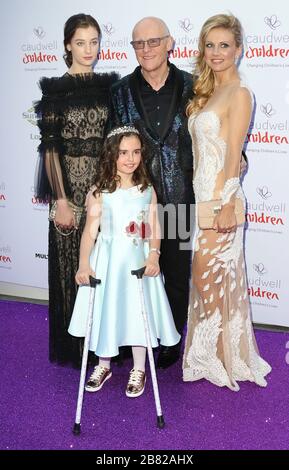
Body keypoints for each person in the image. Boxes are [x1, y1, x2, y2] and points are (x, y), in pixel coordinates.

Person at [183, 14, 271, 390]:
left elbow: (234, 153)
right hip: (203, 198)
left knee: (208, 277)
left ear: (238, 49)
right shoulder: (206, 91)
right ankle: (214, 355)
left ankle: (221, 358)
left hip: (222, 202)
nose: (216, 52)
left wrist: (226, 204)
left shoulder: (239, 93)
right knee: (208, 281)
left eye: (224, 45)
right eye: (210, 45)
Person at [68, 126, 180, 396]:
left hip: (137, 261)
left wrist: (154, 255)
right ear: (111, 155)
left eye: (136, 152)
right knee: (108, 310)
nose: (131, 158)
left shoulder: (146, 189)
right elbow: (89, 233)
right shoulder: (99, 192)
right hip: (107, 261)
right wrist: (84, 264)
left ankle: (139, 368)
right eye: (123, 153)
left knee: (137, 314)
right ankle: (103, 364)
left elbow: (154, 227)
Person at [110, 17, 195, 368]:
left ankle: (171, 340)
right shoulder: (120, 91)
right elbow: (112, 144)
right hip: (134, 200)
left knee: (174, 273)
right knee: (131, 271)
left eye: (153, 41)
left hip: (179, 199)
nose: (146, 49)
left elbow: (213, 134)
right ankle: (132, 340)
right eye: (138, 44)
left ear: (170, 43)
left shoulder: (193, 86)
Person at [35, 13, 119, 367]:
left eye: (94, 42)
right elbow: (50, 148)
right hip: (68, 190)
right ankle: (76, 347)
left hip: (104, 192)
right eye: (81, 42)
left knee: (106, 267)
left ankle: (107, 345)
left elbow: (115, 142)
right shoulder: (55, 92)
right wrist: (62, 200)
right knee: (74, 267)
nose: (88, 49)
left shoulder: (109, 88)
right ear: (68, 44)